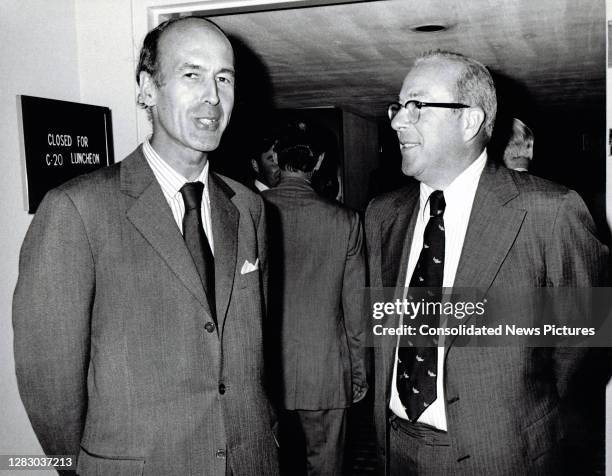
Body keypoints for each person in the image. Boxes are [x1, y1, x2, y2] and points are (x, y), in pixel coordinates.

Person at [13, 17, 279, 476]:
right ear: (147, 89)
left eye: (224, 78)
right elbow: (48, 381)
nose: (213, 97)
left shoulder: (250, 208)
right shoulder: (76, 210)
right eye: (191, 74)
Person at [365, 50, 608, 475]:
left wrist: (526, 412)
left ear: (469, 121)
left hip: (503, 454)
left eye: (416, 106)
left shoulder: (549, 210)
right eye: (398, 107)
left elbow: (583, 342)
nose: (398, 121)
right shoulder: (382, 215)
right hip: (396, 448)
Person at [262, 124, 368, 476]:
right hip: (324, 372)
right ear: (320, 161)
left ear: (276, 156)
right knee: (325, 466)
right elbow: (355, 312)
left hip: (263, 373)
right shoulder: (346, 221)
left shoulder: (248, 212)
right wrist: (358, 373)